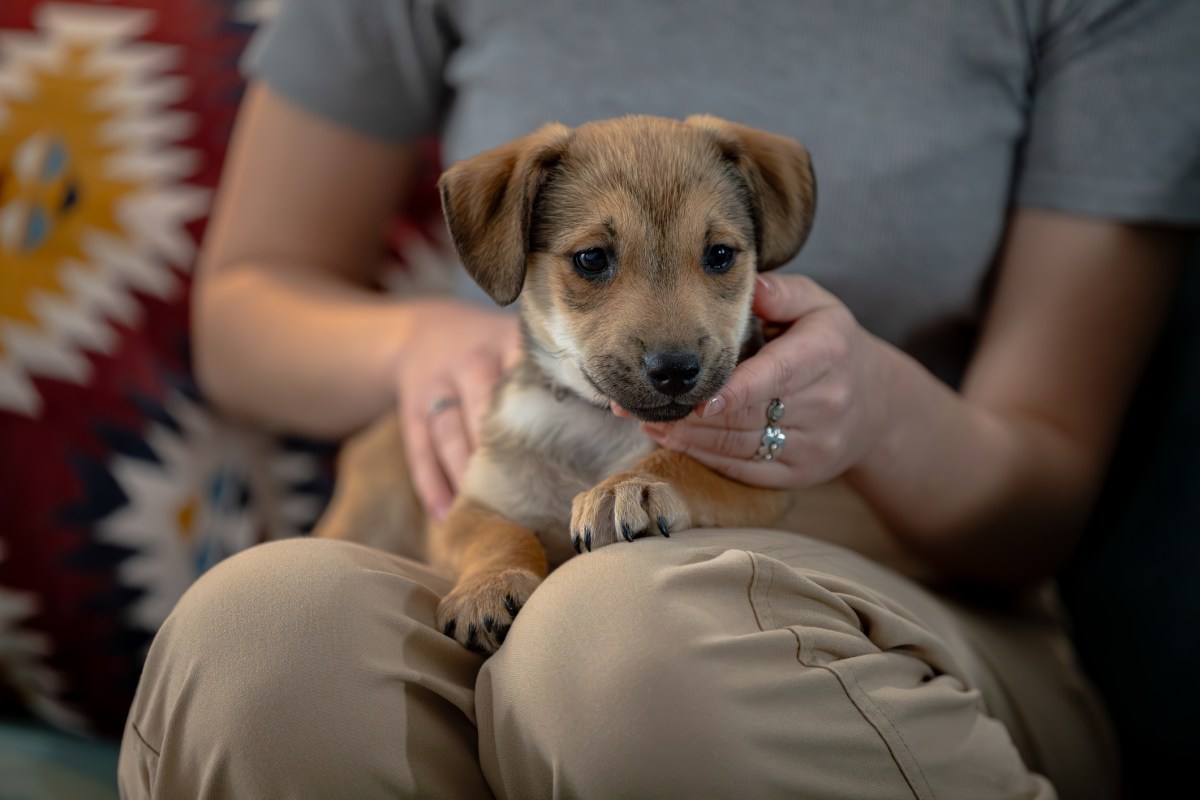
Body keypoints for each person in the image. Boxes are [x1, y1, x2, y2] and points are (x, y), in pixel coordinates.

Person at [118, 1, 1199, 798]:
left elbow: (1043, 500)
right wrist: (419, 336)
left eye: (720, 258)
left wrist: (873, 407)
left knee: (616, 646)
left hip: (903, 581)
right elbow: (247, 301)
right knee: (260, 636)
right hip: (524, 517)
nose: (672, 333)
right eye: (594, 262)